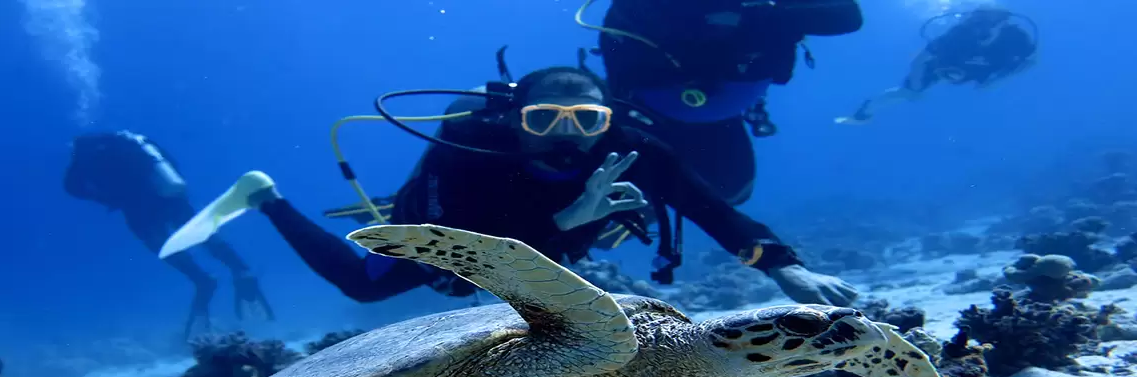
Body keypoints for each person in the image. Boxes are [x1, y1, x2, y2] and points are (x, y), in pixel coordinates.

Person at [174, 67, 858, 307]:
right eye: (544, 119)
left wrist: (782, 266)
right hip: (463, 228)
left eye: (586, 120)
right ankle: (264, 197)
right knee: (364, 286)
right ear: (513, 120)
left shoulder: (634, 150)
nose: (567, 135)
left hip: (554, 234)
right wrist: (564, 223)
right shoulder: (467, 153)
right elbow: (465, 259)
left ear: (609, 120)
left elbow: (711, 210)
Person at [590, 0, 865, 205]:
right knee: (610, 195)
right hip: (647, 114)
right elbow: (627, 40)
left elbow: (848, 16)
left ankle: (653, 196)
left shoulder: (764, 9)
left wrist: (770, 17)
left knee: (733, 192)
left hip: (718, 112)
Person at [63, 131, 275, 337]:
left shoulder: (84, 157)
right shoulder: (131, 143)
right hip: (170, 197)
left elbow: (72, 187)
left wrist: (109, 199)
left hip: (136, 207)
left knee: (163, 247)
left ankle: (201, 280)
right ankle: (240, 269)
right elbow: (171, 164)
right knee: (202, 233)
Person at [836, 6, 1037, 124]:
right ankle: (862, 114)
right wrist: (915, 87)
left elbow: (1029, 62)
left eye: (992, 24)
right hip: (946, 67)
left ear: (1004, 23)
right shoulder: (958, 35)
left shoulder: (1016, 38)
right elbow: (920, 60)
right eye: (979, 24)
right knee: (906, 92)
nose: (984, 30)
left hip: (986, 69)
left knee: (987, 85)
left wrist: (999, 80)